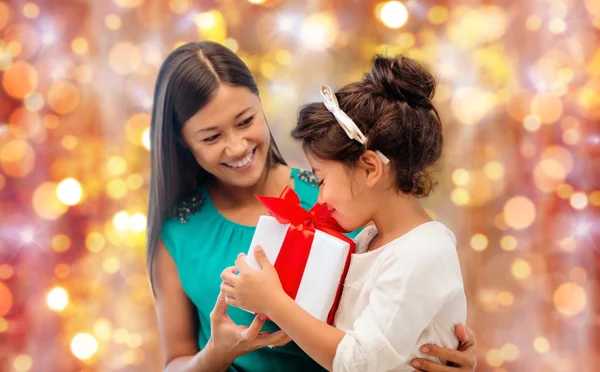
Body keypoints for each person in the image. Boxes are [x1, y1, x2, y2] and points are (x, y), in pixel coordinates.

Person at [147, 41, 477, 372]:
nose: (236, 147)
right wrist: (217, 353)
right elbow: (176, 359)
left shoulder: (348, 202)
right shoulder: (179, 231)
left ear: (261, 107)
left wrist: (445, 346)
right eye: (211, 137)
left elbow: (394, 322)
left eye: (246, 121)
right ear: (182, 141)